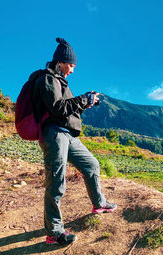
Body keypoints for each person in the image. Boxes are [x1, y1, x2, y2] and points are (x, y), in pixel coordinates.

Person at [32, 38, 117, 245]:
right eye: (71, 65)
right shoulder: (47, 80)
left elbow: (66, 110)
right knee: (56, 183)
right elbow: (57, 108)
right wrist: (83, 98)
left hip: (68, 135)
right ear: (61, 62)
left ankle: (99, 203)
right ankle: (54, 232)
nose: (72, 70)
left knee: (91, 164)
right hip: (54, 136)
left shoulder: (61, 82)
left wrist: (85, 104)